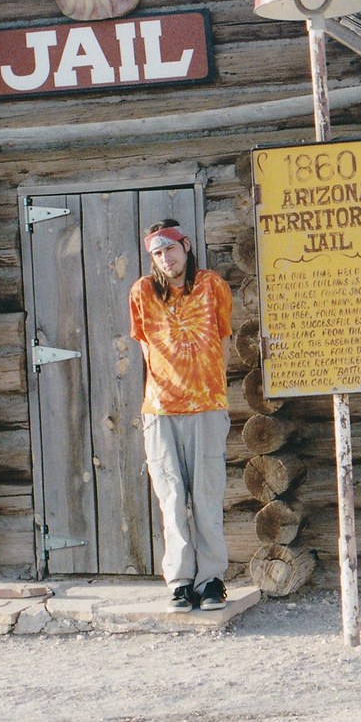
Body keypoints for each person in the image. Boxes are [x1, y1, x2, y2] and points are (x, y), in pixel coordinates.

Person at [129, 218, 233, 612]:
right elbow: (145, 347)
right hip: (160, 409)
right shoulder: (142, 292)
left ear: (185, 245)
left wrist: (210, 386)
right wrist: (164, 387)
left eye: (170, 248)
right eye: (157, 253)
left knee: (207, 496)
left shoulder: (212, 285)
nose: (165, 258)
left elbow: (223, 339)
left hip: (206, 404)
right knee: (171, 498)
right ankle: (180, 582)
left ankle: (211, 580)